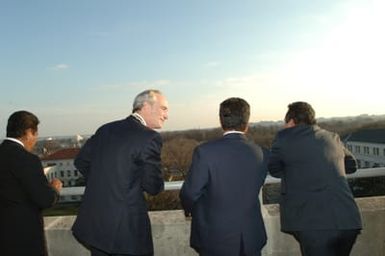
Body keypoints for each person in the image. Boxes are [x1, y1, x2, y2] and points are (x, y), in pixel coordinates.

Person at [72, 89, 168, 256]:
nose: (166, 115)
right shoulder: (149, 138)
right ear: (145, 106)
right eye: (163, 108)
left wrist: (106, 181)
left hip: (97, 228)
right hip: (126, 233)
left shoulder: (106, 129)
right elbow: (153, 186)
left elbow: (80, 162)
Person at [268, 101, 362, 256]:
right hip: (348, 220)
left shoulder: (284, 138)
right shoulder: (332, 137)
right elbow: (351, 166)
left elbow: (274, 170)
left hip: (313, 223)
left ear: (291, 121)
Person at [180, 97, 268, 256]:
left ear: (221, 121)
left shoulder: (205, 152)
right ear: (247, 122)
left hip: (215, 238)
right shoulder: (260, 152)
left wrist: (190, 210)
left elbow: (190, 193)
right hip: (251, 235)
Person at [0, 110, 62, 256]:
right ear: (28, 132)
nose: (35, 140)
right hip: (23, 238)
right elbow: (45, 199)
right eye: (36, 134)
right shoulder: (28, 160)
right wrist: (54, 189)